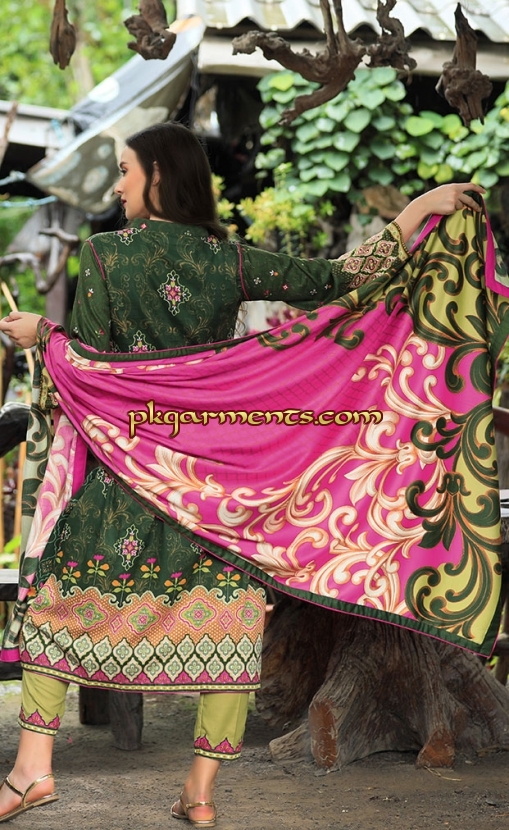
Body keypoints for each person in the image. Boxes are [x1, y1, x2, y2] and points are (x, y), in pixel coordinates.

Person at [0, 121, 486, 827]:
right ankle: (200, 793)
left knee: (56, 605)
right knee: (225, 628)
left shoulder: (105, 254)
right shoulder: (227, 261)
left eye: (125, 170)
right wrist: (419, 209)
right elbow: (338, 280)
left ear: (159, 175)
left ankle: (31, 773)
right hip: (214, 485)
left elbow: (96, 370)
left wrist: (43, 337)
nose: (117, 185)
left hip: (125, 476)